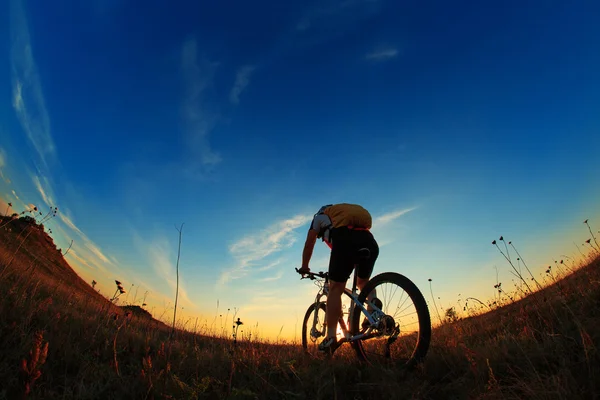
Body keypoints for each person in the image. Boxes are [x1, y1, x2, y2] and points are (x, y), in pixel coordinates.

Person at [298, 203, 379, 352]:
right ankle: (373, 307)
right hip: (369, 240)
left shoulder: (319, 218)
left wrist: (305, 266)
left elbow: (309, 242)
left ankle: (330, 338)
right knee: (363, 282)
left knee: (336, 288)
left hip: (345, 242)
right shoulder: (344, 217)